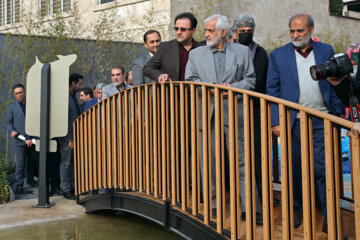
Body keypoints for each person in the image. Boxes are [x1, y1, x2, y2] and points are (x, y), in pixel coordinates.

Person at [266, 13, 344, 232]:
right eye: (292, 30)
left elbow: (336, 83)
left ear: (311, 29)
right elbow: (272, 90)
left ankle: (330, 218)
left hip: (322, 120)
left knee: (324, 170)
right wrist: (275, 122)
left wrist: (337, 113)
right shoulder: (278, 55)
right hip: (292, 122)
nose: (295, 35)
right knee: (293, 170)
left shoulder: (326, 50)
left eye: (300, 30)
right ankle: (295, 211)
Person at [185, 14, 262, 223]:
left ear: (224, 32)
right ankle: (214, 205)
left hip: (235, 114)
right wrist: (208, 89)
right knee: (208, 162)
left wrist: (234, 88)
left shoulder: (243, 52)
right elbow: (190, 79)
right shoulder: (196, 54)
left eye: (210, 31)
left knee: (242, 162)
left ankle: (250, 208)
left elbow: (250, 80)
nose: (206, 34)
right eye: (206, 30)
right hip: (206, 116)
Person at [233, 14, 269, 201]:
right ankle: (238, 193)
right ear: (234, 32)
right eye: (242, 32)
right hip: (232, 108)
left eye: (249, 31)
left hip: (255, 109)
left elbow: (264, 82)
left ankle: (261, 192)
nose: (246, 34)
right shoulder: (228, 51)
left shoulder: (261, 53)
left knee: (258, 151)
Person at [143, 12, 203, 83]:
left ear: (193, 31)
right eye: (176, 29)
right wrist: (160, 75)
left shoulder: (202, 49)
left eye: (183, 29)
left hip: (198, 93)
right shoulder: (165, 47)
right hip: (172, 92)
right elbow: (147, 68)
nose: (179, 32)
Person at [6, 83, 37, 194]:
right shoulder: (11, 107)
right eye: (17, 93)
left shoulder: (32, 105)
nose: (19, 95)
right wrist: (12, 131)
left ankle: (30, 179)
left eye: (21, 92)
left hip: (32, 139)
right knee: (20, 163)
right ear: (14, 95)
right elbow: (9, 123)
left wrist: (31, 137)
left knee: (32, 161)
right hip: (19, 140)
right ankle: (19, 186)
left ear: (24, 92)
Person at [58, 73, 83, 200]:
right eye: (79, 83)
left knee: (72, 163)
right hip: (67, 137)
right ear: (72, 84)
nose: (81, 86)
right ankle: (65, 189)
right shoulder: (65, 98)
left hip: (74, 136)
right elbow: (65, 119)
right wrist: (70, 138)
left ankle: (72, 187)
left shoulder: (73, 97)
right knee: (66, 163)